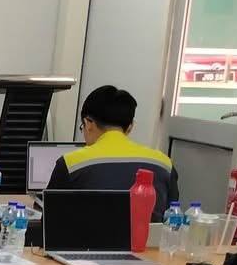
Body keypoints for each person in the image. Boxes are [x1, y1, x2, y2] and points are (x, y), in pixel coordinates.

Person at [47, 85, 178, 211]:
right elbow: (172, 216)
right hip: (147, 228)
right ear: (130, 126)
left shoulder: (71, 164)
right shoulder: (164, 164)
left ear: (88, 123)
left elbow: (49, 220)